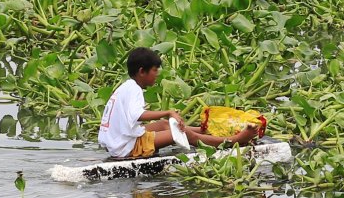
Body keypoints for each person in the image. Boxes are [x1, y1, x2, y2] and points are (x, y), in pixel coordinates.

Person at [98, 47, 258, 158]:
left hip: (118, 143)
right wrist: (169, 112)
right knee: (182, 134)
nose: (157, 75)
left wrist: (168, 118)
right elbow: (138, 115)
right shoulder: (134, 89)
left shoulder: (126, 86)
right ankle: (234, 140)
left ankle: (206, 131)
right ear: (142, 71)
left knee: (163, 125)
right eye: (154, 70)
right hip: (127, 147)